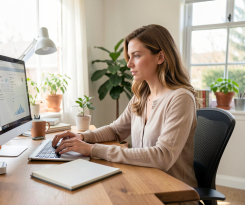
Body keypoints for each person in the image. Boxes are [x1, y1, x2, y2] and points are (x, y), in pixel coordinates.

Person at [53, 24, 199, 205]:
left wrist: (92, 149)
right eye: (129, 57)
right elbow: (116, 130)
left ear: (160, 57)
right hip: (142, 181)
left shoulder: (180, 98)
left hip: (172, 195)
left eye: (136, 56)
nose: (129, 63)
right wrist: (82, 136)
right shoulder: (141, 95)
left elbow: (163, 157)